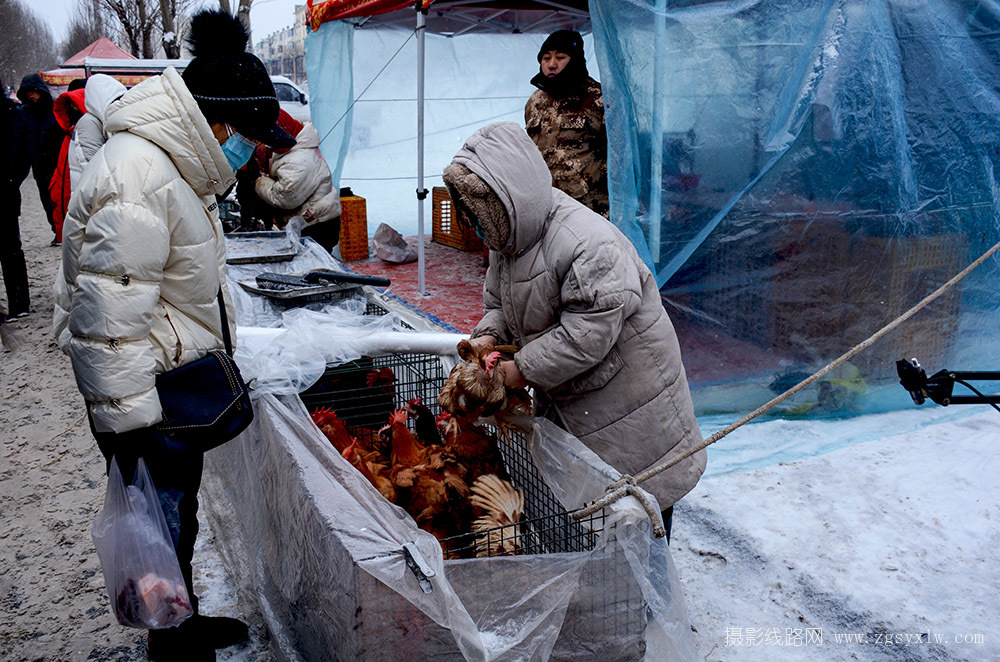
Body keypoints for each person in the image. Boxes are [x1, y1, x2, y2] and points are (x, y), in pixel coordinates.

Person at [53, 10, 295, 661]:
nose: (249, 151)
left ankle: (184, 625)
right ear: (216, 123)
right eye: (245, 137)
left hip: (169, 384)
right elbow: (105, 310)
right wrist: (128, 424)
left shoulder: (173, 167)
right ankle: (173, 646)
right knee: (154, 529)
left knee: (174, 519)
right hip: (147, 396)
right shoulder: (140, 172)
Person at [443, 122, 705, 540]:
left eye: (479, 215)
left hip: (631, 400)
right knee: (602, 512)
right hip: (582, 401)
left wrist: (519, 370)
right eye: (471, 217)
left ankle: (648, 597)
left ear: (508, 199)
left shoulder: (587, 243)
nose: (475, 227)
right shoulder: (510, 241)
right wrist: (488, 337)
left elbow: (588, 333)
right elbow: (499, 302)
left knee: (643, 508)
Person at [524, 30, 609, 217]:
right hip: (546, 207)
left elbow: (620, 158)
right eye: (546, 58)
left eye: (560, 57)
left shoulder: (598, 99)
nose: (551, 64)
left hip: (589, 210)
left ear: (575, 59)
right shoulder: (535, 102)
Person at [252, 109, 342, 251]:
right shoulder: (289, 150)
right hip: (308, 220)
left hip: (317, 225)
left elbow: (285, 197)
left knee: (313, 264)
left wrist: (259, 181)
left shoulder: (301, 159)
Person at [16, 73, 64, 244]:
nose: (30, 95)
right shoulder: (24, 113)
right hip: (38, 164)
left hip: (55, 162)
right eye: (28, 92)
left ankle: (61, 231)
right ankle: (57, 230)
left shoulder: (54, 110)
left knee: (58, 199)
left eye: (33, 91)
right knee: (46, 200)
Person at [1, 75, 31, 321]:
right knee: (12, 249)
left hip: (6, 192)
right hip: (7, 191)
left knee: (11, 249)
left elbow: (21, 154)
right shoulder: (12, 113)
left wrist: (12, 180)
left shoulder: (11, 114)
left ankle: (19, 303)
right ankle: (19, 303)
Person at [69, 74, 127, 189]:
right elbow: (92, 166)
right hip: (93, 196)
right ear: (101, 100)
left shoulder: (102, 120)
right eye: (115, 100)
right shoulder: (89, 123)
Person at [49, 84, 87, 245]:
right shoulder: (68, 135)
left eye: (75, 104)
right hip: (69, 207)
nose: (72, 108)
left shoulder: (85, 133)